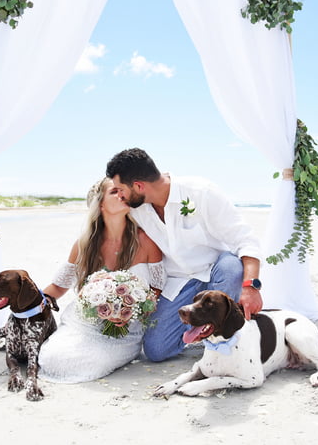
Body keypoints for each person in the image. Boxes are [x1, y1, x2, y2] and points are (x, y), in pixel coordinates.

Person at [105, 147, 263, 362]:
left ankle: (226, 340)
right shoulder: (136, 207)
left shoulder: (202, 192)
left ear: (139, 185)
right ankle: (204, 328)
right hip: (179, 281)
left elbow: (246, 240)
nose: (120, 195)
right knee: (156, 350)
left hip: (218, 271)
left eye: (120, 189)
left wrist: (250, 287)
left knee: (231, 266)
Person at [37, 177, 164, 383]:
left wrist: (132, 310)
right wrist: (26, 307)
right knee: (53, 358)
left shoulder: (145, 240)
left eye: (123, 190)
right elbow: (59, 287)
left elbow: (157, 287)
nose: (122, 195)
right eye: (114, 192)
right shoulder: (84, 244)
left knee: (91, 361)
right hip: (85, 323)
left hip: (127, 330)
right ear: (101, 204)